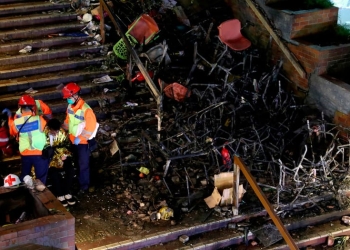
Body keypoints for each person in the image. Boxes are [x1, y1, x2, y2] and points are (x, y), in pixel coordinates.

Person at [61, 82, 97, 197]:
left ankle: (84, 186)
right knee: (76, 163)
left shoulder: (86, 110)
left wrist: (80, 139)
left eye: (69, 97)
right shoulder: (70, 107)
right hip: (73, 141)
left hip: (83, 143)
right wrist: (62, 129)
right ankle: (79, 182)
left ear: (76, 95)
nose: (68, 100)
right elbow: (68, 121)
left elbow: (90, 129)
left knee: (83, 165)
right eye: (67, 98)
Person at [3, 96, 49, 184]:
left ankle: (26, 193)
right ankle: (40, 195)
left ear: (20, 107)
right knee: (41, 179)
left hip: (25, 153)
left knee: (25, 176)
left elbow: (12, 132)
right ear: (32, 107)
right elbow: (46, 130)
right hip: (39, 153)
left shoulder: (16, 122)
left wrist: (10, 118)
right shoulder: (39, 119)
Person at [45, 118, 76, 206]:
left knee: (70, 170)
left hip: (62, 155)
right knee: (54, 173)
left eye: (57, 130)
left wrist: (64, 154)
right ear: (49, 128)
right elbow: (44, 149)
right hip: (50, 159)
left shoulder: (62, 132)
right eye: (53, 131)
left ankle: (66, 191)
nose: (55, 133)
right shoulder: (43, 134)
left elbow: (67, 146)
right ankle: (59, 194)